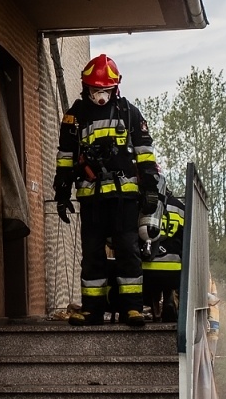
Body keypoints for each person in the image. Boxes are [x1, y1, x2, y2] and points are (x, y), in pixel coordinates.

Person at [54, 54, 160, 327]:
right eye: (95, 90)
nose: (100, 96)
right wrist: (62, 193)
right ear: (85, 87)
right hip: (91, 199)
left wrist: (150, 189)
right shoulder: (74, 117)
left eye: (105, 90)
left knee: (128, 251)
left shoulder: (129, 112)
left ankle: (132, 309)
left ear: (115, 88)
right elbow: (65, 156)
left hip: (124, 199)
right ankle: (93, 310)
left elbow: (145, 154)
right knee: (91, 256)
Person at [141, 172, 186, 321]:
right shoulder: (180, 207)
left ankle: (152, 309)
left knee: (149, 278)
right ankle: (169, 301)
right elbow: (186, 240)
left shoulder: (140, 205)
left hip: (145, 269)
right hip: (173, 270)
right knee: (170, 279)